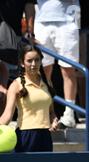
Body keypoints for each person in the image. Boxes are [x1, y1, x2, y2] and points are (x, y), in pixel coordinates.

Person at [0, 42, 59, 162]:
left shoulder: (46, 82)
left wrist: (54, 120)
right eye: (29, 61)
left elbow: (51, 112)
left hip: (44, 138)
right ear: (22, 63)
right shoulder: (16, 85)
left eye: (37, 60)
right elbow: (8, 115)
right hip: (25, 138)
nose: (34, 64)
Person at [34, 0, 81, 128]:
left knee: (68, 69)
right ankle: (44, 111)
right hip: (41, 19)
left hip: (69, 18)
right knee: (41, 71)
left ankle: (69, 114)